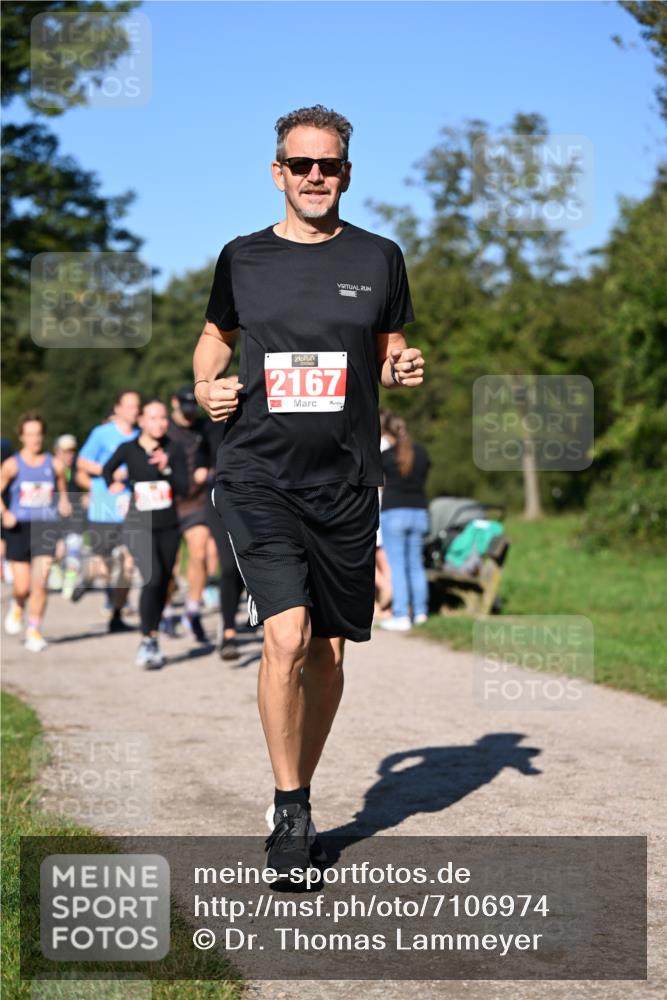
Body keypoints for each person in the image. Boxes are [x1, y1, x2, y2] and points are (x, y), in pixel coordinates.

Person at [193, 104, 425, 876]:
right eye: (301, 165)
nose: (315, 176)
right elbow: (214, 336)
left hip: (347, 480)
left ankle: (302, 786)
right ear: (278, 173)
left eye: (327, 165)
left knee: (327, 652)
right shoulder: (242, 258)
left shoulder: (381, 256)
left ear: (347, 173)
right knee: (287, 634)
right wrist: (204, 386)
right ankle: (289, 809)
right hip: (257, 472)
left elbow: (389, 348)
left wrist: (400, 365)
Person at [103, 400, 187, 669]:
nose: (159, 423)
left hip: (169, 525)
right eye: (153, 418)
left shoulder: (174, 449)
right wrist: (113, 484)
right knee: (153, 579)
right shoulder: (129, 449)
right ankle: (147, 639)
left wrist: (167, 468)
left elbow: (185, 488)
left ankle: (152, 636)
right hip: (139, 524)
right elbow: (107, 469)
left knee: (164, 583)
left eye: (163, 418)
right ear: (142, 421)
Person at [0, 414, 70, 651]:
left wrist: (64, 508)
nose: (35, 439)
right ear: (21, 436)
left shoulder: (55, 464)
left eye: (38, 434)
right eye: (30, 434)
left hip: (46, 528)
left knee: (40, 583)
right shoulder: (11, 465)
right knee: (23, 586)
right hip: (19, 528)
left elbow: (62, 496)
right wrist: (5, 512)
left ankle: (34, 630)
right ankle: (18, 604)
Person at [75, 390, 140, 631]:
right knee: (104, 564)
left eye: (137, 406)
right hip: (103, 509)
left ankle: (116, 614)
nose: (135, 411)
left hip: (129, 510)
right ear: (118, 409)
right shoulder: (101, 434)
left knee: (128, 564)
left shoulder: (139, 435)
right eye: (130, 406)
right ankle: (87, 575)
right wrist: (109, 470)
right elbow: (81, 463)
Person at [164, 386, 211, 642]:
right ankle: (167, 608)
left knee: (200, 552)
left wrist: (208, 468)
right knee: (169, 562)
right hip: (169, 503)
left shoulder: (203, 428)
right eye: (185, 406)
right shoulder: (165, 429)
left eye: (194, 406)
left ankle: (192, 610)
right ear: (174, 403)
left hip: (196, 502)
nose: (190, 412)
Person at [379, 415, 431, 631]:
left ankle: (401, 614)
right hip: (419, 511)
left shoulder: (385, 456)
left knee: (398, 566)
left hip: (394, 513)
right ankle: (420, 613)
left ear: (387, 433)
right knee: (416, 565)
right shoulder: (422, 453)